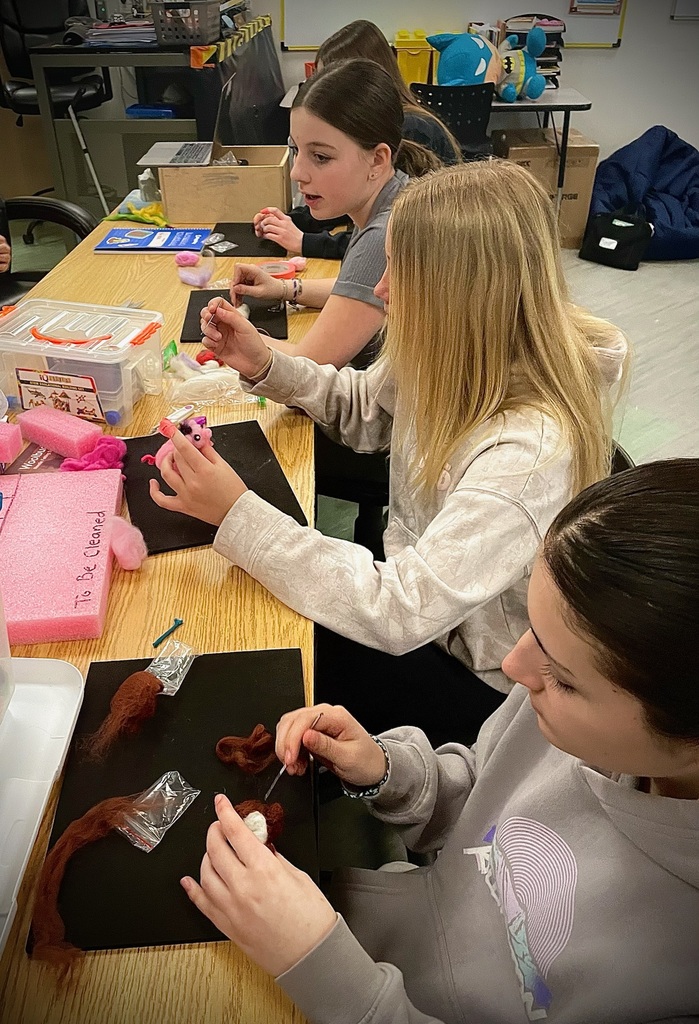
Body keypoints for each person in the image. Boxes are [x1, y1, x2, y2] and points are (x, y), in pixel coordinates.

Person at [181, 458, 699, 1024]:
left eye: (565, 679)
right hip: (370, 931)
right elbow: (484, 798)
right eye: (534, 629)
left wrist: (318, 965)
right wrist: (386, 771)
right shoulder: (557, 698)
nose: (513, 665)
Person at [150, 160, 627, 746]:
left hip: (481, 678)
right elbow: (366, 409)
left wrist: (237, 516)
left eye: (400, 270)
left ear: (460, 294)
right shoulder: (454, 348)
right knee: (261, 617)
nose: (379, 288)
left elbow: (402, 609)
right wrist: (267, 364)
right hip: (420, 599)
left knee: (260, 669)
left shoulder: (526, 456)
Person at [230, 57, 440, 370]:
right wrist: (286, 289)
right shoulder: (394, 197)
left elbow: (308, 369)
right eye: (296, 150)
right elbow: (360, 288)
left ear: (377, 160)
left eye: (320, 157)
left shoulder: (386, 231)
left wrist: (233, 339)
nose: (297, 173)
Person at [259, 19, 462, 260]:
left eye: (330, 81)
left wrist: (304, 242)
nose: (320, 94)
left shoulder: (412, 131)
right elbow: (352, 200)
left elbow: (386, 241)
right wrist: (293, 220)